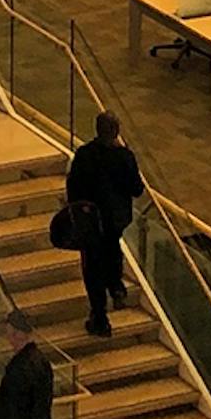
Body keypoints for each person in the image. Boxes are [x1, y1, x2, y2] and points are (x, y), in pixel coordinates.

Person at [64, 110, 144, 339]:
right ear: (117, 132)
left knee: (92, 267)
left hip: (91, 222)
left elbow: (73, 188)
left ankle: (99, 316)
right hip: (116, 220)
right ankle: (116, 287)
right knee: (113, 250)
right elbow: (137, 189)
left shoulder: (84, 155)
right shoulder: (125, 157)